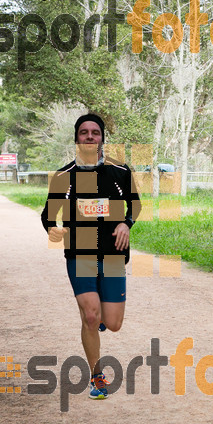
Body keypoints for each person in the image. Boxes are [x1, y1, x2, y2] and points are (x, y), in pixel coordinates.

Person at [41, 114, 141, 400]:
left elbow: (135, 206)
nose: (89, 136)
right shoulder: (63, 176)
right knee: (90, 316)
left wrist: (126, 223)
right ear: (76, 138)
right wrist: (53, 229)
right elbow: (48, 215)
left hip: (112, 255)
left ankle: (98, 317)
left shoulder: (120, 172)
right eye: (83, 132)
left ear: (102, 138)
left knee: (113, 323)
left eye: (95, 132)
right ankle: (97, 377)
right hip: (79, 253)